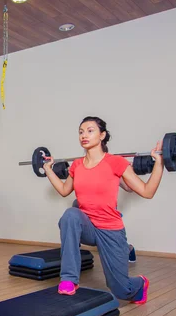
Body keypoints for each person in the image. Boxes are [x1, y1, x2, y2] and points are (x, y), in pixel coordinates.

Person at [43, 116, 164, 304]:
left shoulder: (115, 162)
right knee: (70, 215)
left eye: (90, 130)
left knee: (122, 290)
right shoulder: (76, 165)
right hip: (88, 227)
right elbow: (64, 191)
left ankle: (140, 283)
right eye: (81, 131)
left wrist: (159, 163)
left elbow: (147, 192)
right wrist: (48, 169)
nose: (84, 135)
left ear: (102, 135)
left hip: (110, 231)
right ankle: (68, 279)